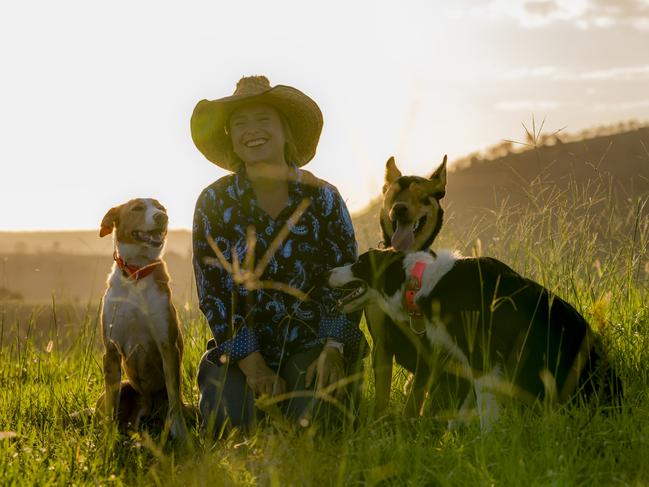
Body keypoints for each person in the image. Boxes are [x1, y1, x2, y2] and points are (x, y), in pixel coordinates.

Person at [190, 75, 367, 434]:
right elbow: (214, 293)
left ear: (286, 131)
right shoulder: (214, 202)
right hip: (242, 352)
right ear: (231, 140)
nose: (251, 131)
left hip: (314, 343)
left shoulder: (324, 198)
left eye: (263, 120)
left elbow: (348, 279)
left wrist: (333, 346)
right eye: (239, 123)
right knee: (233, 426)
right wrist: (253, 365)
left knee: (316, 427)